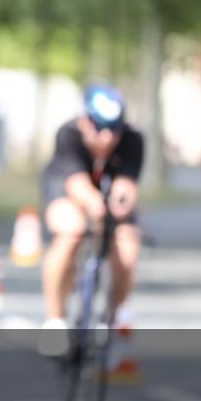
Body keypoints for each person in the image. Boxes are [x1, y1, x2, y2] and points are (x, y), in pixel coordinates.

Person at [38, 84, 144, 357]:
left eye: (114, 129)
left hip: (107, 197)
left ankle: (116, 314)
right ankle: (54, 320)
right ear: (84, 121)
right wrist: (95, 205)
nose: (108, 137)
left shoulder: (133, 140)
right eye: (99, 128)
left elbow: (127, 186)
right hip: (69, 192)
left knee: (127, 249)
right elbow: (77, 185)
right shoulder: (68, 134)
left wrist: (120, 205)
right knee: (71, 230)